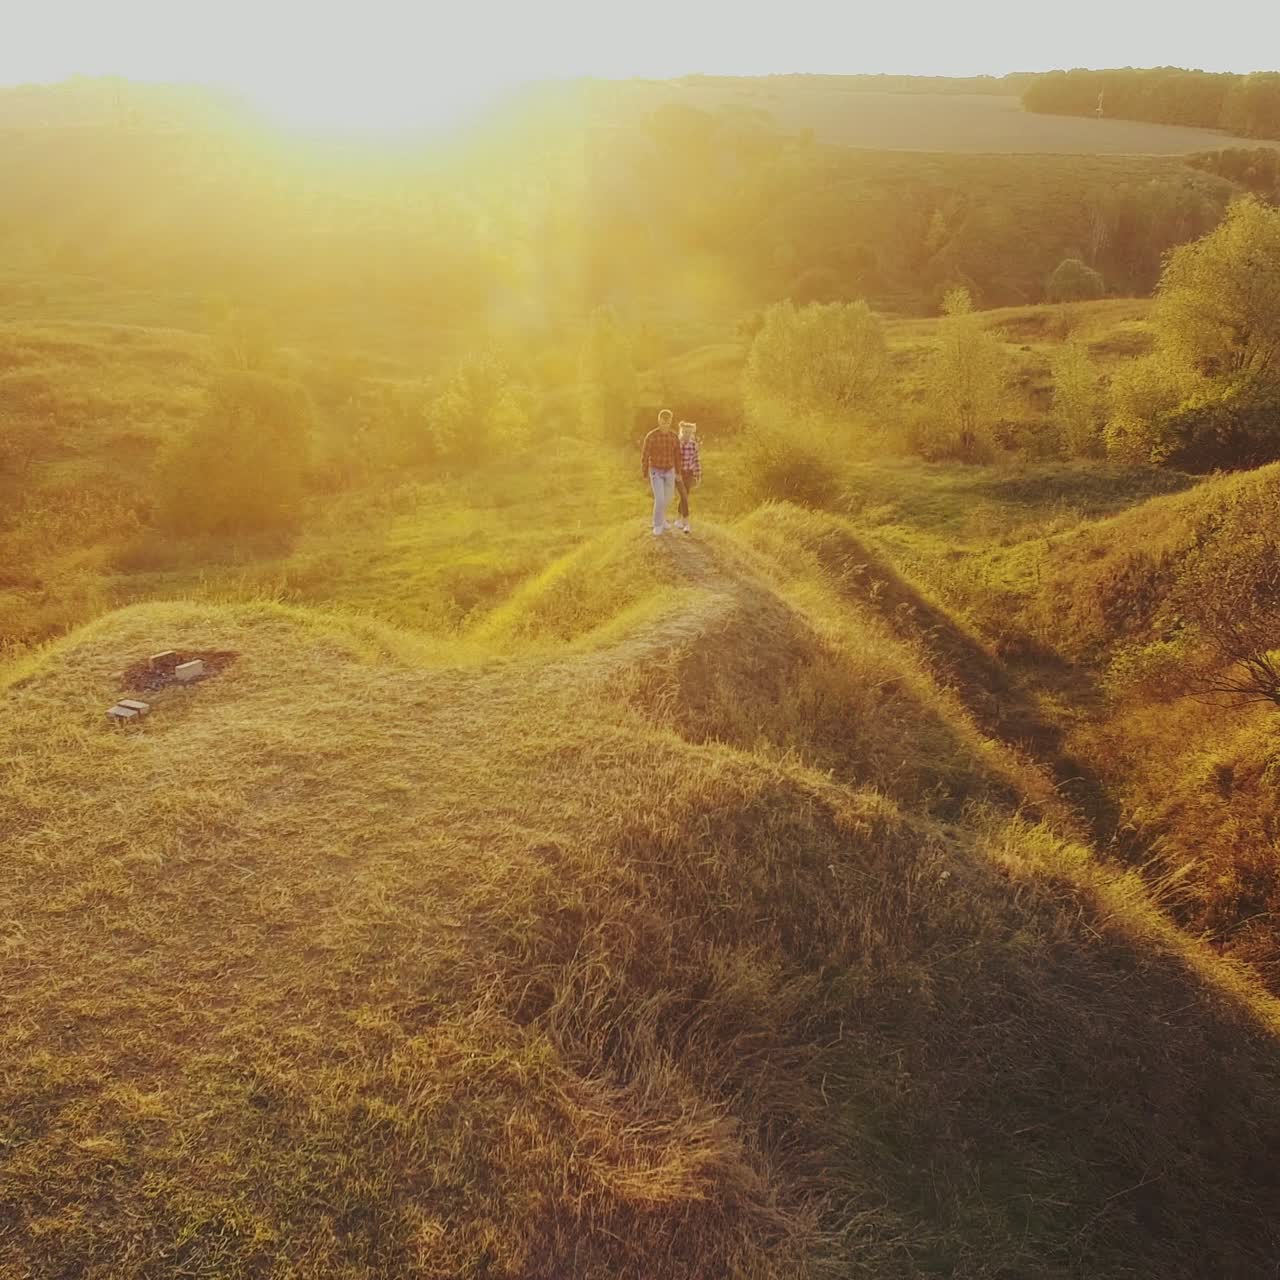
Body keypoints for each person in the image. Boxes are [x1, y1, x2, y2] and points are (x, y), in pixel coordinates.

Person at [640, 408, 681, 537]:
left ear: (670, 422)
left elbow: (677, 456)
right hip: (656, 471)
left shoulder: (674, 437)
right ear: (659, 421)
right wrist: (644, 472)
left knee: (669, 498)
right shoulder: (651, 436)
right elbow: (645, 455)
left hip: (670, 470)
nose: (665, 424)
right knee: (660, 498)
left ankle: (662, 518)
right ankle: (657, 524)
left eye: (667, 422)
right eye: (663, 422)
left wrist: (678, 472)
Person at [674, 420, 701, 533]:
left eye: (689, 432)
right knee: (684, 496)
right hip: (679, 474)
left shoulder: (693, 445)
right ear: (681, 432)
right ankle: (686, 523)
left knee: (684, 496)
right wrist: (676, 473)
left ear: (692, 433)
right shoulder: (676, 444)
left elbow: (696, 460)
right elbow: (673, 459)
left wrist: (698, 475)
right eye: (685, 432)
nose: (687, 434)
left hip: (689, 473)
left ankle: (678, 520)